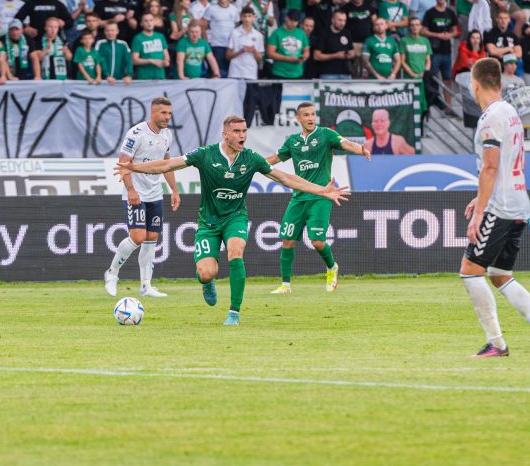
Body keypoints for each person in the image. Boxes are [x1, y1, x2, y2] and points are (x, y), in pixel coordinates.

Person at [116, 115, 350, 326]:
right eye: (237, 132)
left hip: (235, 218)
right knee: (207, 272)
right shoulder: (205, 154)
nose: (242, 136)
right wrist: (134, 167)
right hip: (208, 222)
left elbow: (286, 178)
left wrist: (322, 190)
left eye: (244, 131)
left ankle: (234, 312)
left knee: (236, 251)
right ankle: (207, 282)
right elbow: (167, 164)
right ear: (225, 134)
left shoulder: (251, 158)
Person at [460, 58, 530, 357]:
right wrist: (480, 197)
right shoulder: (511, 113)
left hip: (501, 206)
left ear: (474, 84)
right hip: (518, 202)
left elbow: (490, 167)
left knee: (470, 271)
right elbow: (517, 160)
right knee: (499, 273)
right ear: (500, 83)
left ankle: (497, 344)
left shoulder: (490, 117)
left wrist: (480, 212)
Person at [266, 101, 370, 295]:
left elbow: (345, 143)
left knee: (317, 242)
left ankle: (332, 268)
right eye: (306, 115)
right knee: (287, 240)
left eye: (313, 114)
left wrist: (360, 150)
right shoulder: (293, 141)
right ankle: (286, 285)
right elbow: (275, 159)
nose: (310, 118)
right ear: (298, 118)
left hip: (321, 196)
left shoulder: (325, 134)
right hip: (298, 197)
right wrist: (252, 164)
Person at [104, 97, 181, 299]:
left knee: (152, 238)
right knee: (138, 237)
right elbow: (123, 163)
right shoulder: (136, 133)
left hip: (155, 193)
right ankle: (112, 273)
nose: (167, 117)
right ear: (153, 112)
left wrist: (174, 189)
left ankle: (146, 286)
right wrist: (130, 190)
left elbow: (167, 164)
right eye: (164, 113)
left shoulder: (167, 135)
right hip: (136, 192)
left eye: (170, 113)